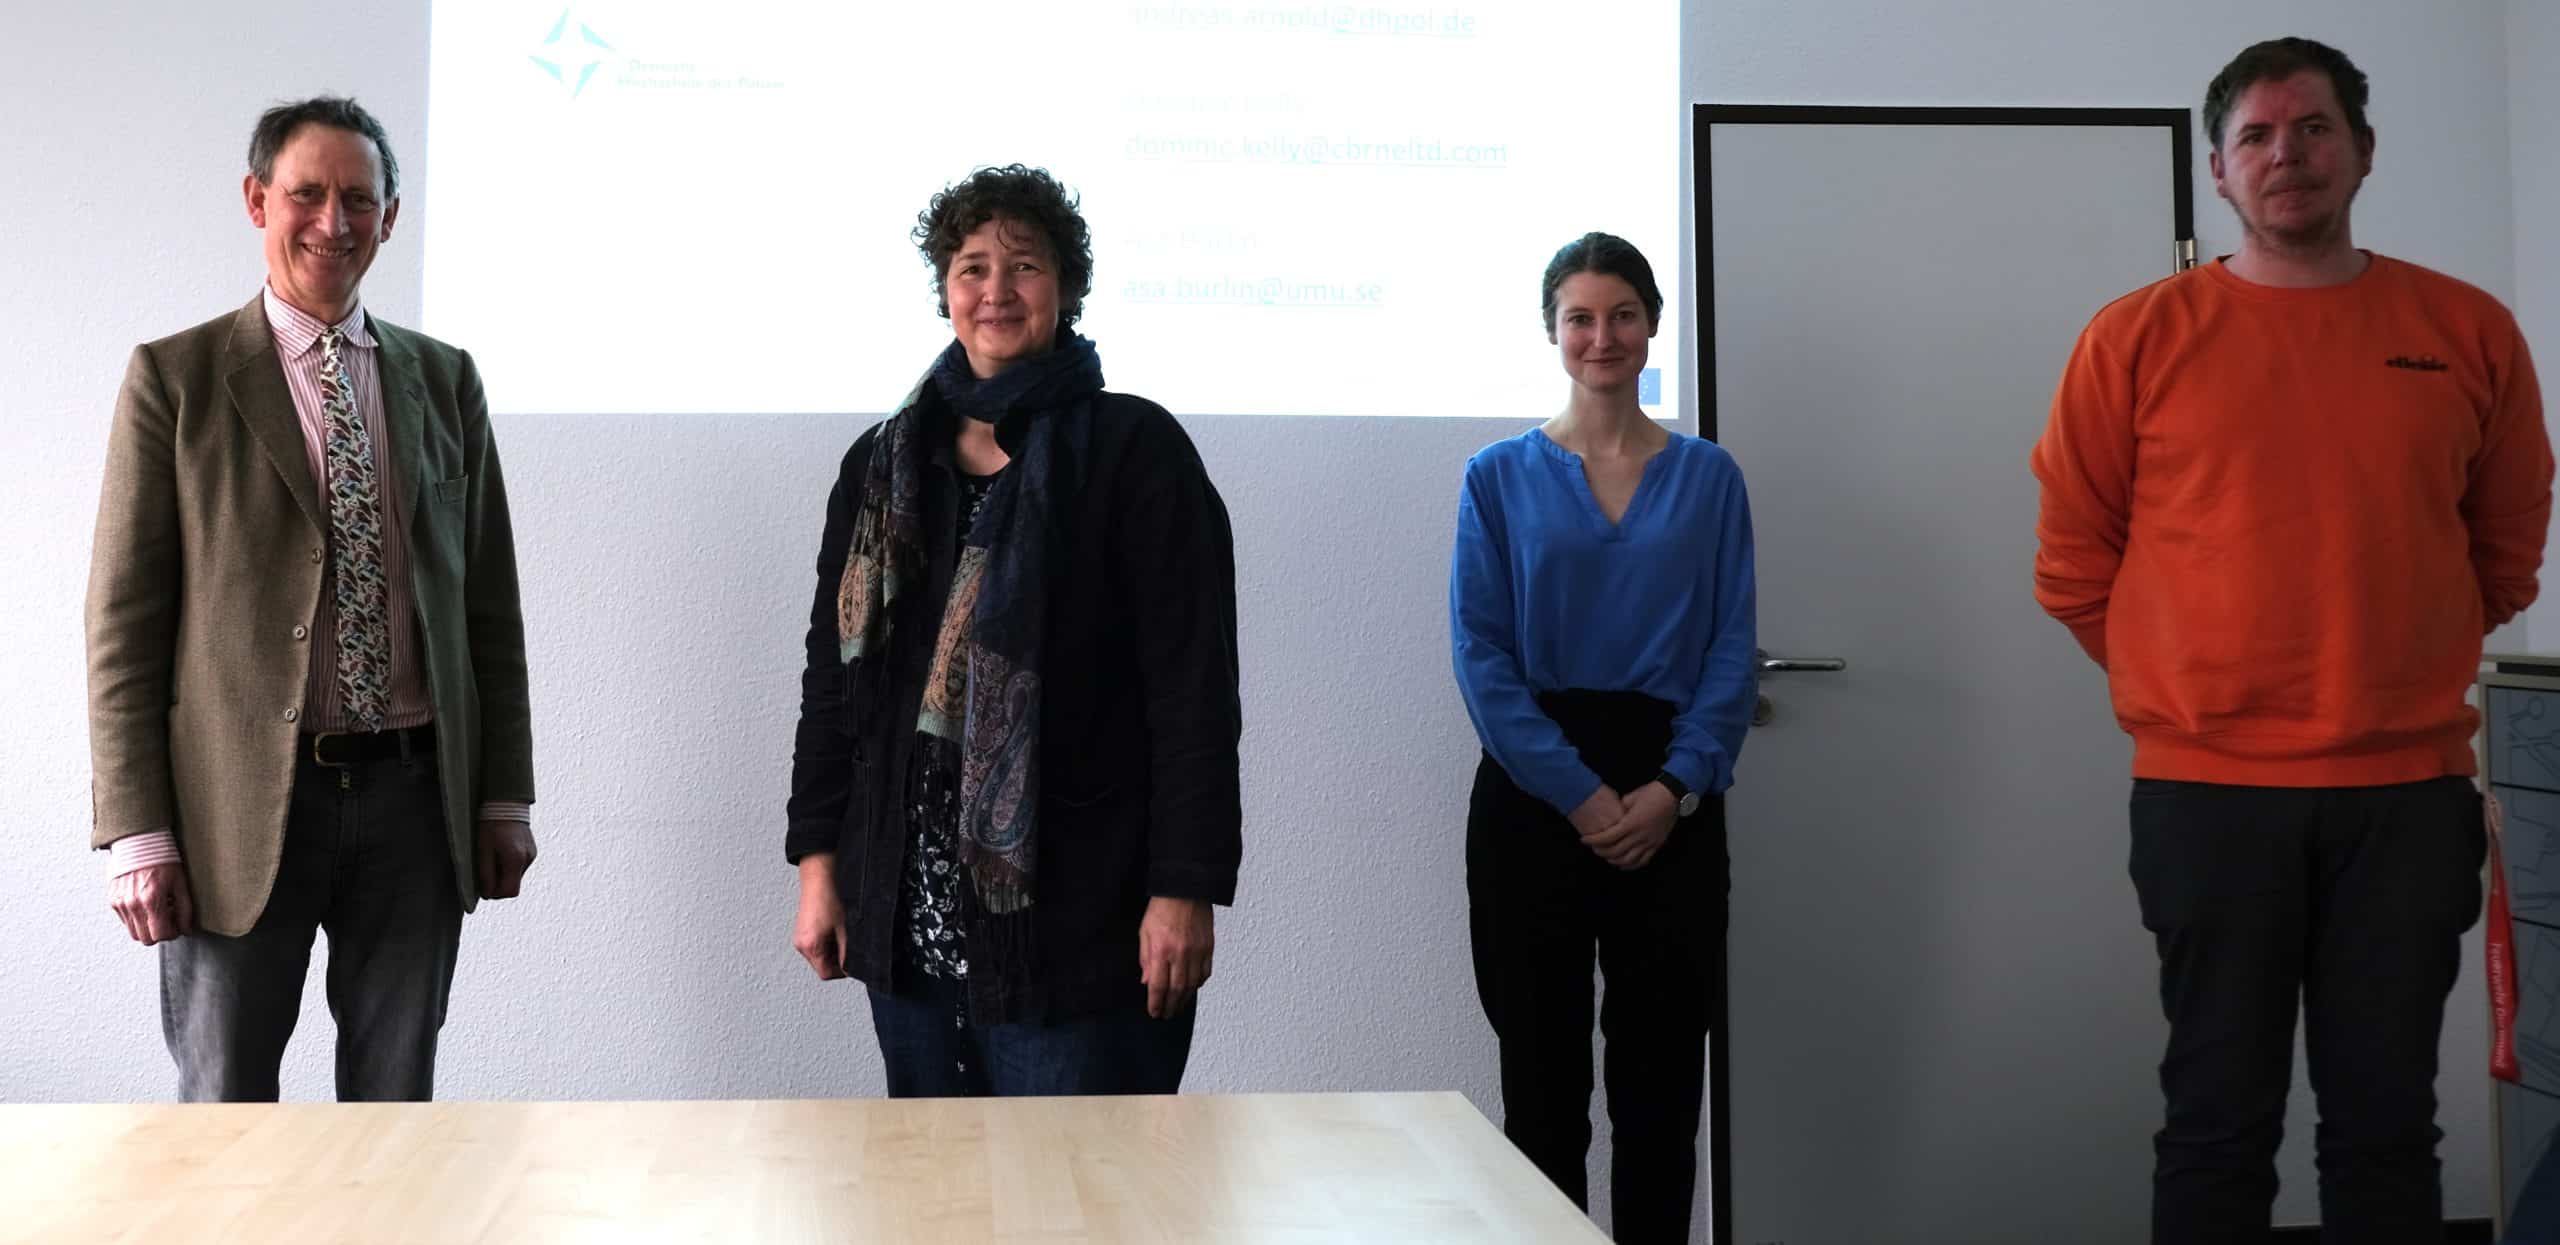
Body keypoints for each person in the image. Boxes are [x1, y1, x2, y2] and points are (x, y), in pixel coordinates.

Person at [2030, 37, 2552, 1245]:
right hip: (2205, 798)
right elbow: (2071, 565)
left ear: (2362, 150)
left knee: (2384, 1128)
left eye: (2312, 128)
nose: (2286, 156)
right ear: (2217, 171)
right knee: (2215, 1123)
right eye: (2256, 136)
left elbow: (2505, 544)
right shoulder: (2137, 338)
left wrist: (2384, 654)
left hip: (2403, 797)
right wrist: (2190, 675)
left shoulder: (2465, 330)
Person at [85, 96, 538, 1102]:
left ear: (391, 217)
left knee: (393, 1112)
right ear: (257, 200)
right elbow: (123, 624)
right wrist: (138, 832)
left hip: (414, 807)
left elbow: (488, 610)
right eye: (308, 194)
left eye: (359, 200)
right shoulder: (178, 379)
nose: (334, 221)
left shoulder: (445, 380)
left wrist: (501, 794)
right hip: (233, 812)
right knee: (225, 1114)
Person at [785, 164, 1241, 1096]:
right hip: (909, 928)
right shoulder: (882, 463)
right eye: (971, 265)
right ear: (945, 289)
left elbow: (1192, 691)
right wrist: (818, 865)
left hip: (1082, 932)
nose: (996, 290)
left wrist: (1184, 886)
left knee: (1081, 1210)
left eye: (1024, 266)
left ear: (1066, 288)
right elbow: (834, 686)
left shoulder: (1135, 453)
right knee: (934, 1211)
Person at [1449, 231, 1756, 1243]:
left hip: (1671, 800)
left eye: (1621, 314)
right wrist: (1582, 796)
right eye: (1580, 317)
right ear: (1552, 331)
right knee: (1541, 1095)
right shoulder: (1495, 477)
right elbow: (1482, 660)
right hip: (1536, 802)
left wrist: (1672, 790)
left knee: (1661, 1097)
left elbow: (1728, 648)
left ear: (1652, 324)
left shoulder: (1711, 479)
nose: (1601, 336)